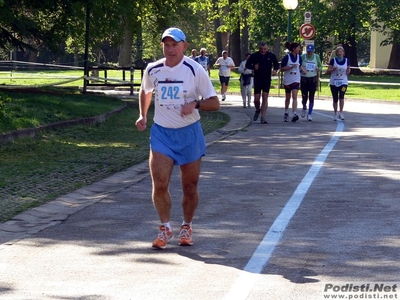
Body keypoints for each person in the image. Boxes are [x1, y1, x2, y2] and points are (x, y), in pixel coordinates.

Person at [135, 27, 220, 250]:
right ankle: (165, 227)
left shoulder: (195, 70)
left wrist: (196, 104)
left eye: (175, 44)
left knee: (189, 186)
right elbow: (145, 91)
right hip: (162, 133)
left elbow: (214, 102)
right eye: (166, 44)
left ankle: (186, 226)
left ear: (184, 45)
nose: (170, 49)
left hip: (189, 133)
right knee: (160, 183)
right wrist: (143, 115)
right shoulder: (153, 69)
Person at [245, 42, 279, 124]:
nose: (263, 51)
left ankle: (263, 117)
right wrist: (254, 67)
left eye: (264, 49)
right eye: (261, 49)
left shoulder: (271, 55)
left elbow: (276, 64)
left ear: (267, 48)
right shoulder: (254, 55)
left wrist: (275, 70)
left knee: (265, 96)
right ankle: (257, 110)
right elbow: (248, 65)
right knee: (256, 99)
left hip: (267, 78)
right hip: (257, 79)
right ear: (259, 49)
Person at [281, 42, 303, 122]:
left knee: (295, 96)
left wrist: (303, 70)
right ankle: (286, 112)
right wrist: (290, 67)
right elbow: (282, 69)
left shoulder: (299, 57)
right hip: (287, 79)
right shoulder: (287, 57)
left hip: (296, 78)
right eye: (298, 48)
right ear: (294, 49)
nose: (299, 49)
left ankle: (294, 113)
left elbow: (300, 66)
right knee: (288, 98)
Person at [327, 45, 350, 121]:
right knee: (335, 98)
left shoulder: (347, 60)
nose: (340, 53)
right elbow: (328, 71)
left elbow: (348, 69)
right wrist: (333, 69)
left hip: (343, 82)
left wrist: (348, 71)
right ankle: (335, 113)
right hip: (334, 82)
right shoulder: (333, 60)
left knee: (342, 96)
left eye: (341, 51)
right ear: (336, 53)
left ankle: (341, 112)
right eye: (338, 52)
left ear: (343, 53)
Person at [300, 44, 322, 121]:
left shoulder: (316, 57)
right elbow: (299, 65)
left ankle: (309, 114)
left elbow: (320, 66)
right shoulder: (303, 56)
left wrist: (319, 69)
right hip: (304, 79)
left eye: (311, 51)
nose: (310, 53)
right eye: (308, 51)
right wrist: (302, 70)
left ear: (313, 51)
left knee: (311, 96)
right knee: (304, 96)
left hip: (313, 79)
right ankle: (304, 106)